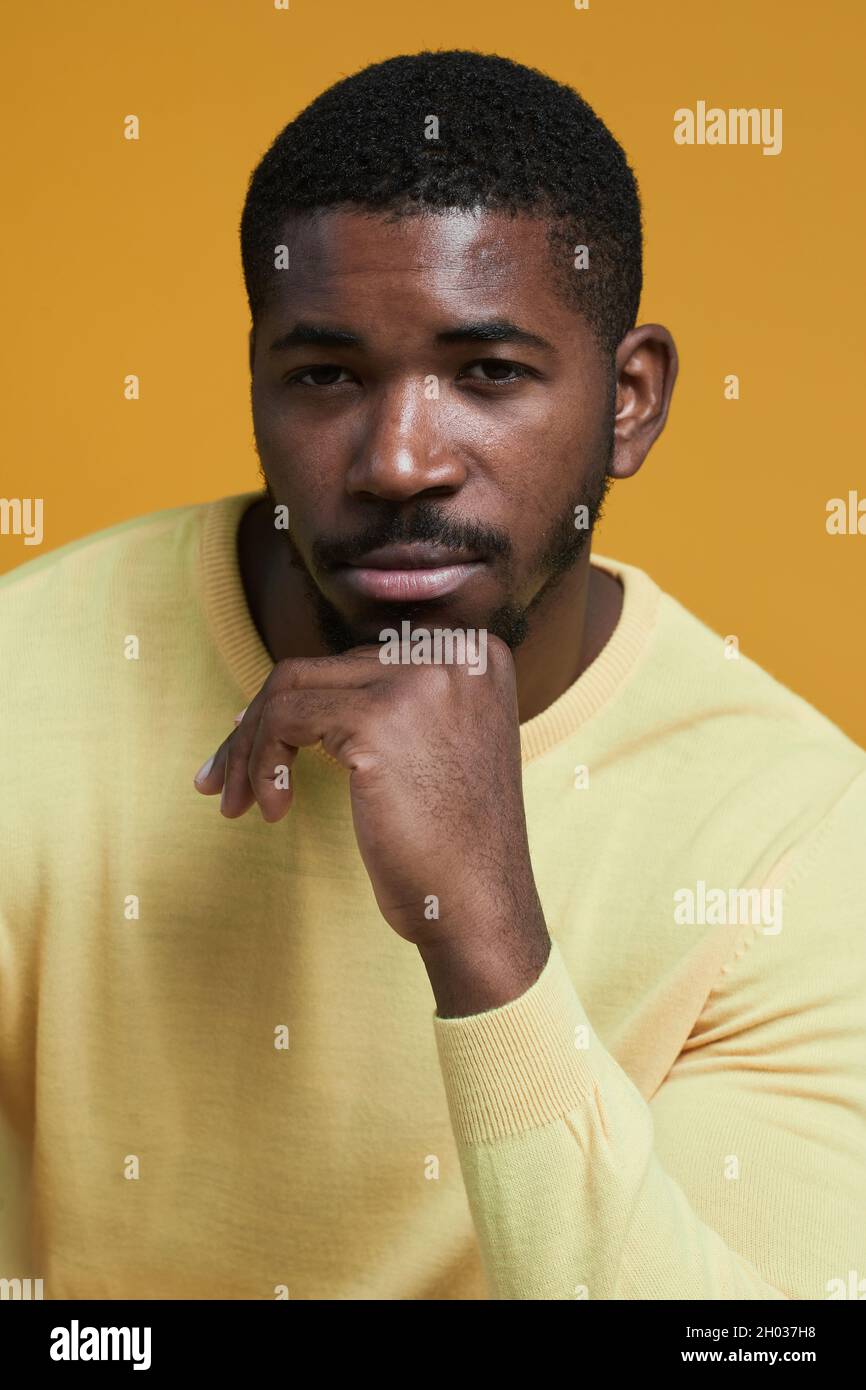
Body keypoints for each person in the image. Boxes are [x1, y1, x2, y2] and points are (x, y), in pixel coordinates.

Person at [1, 49, 863, 1301]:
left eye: (487, 374)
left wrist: (489, 939)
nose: (399, 459)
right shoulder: (29, 681)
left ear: (628, 400)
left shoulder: (797, 840)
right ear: (255, 382)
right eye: (327, 375)